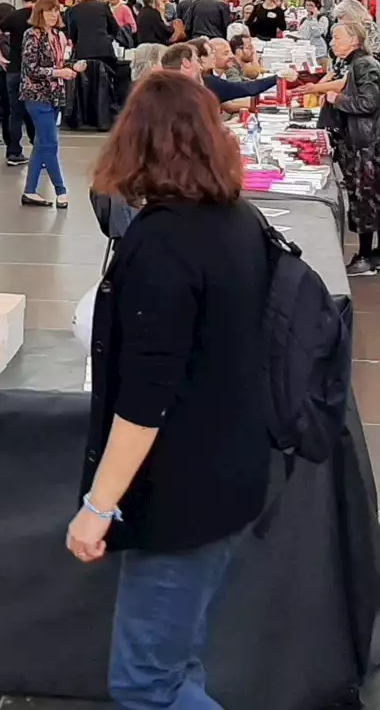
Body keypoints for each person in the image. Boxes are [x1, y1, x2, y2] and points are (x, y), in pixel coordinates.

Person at [73, 68, 270, 709]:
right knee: (177, 663)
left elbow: (146, 397)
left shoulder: (159, 245)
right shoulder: (239, 222)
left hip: (180, 496)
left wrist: (98, 506)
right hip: (231, 476)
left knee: (144, 683)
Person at [323, 21, 380, 274]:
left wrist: (339, 99)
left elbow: (369, 102)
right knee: (364, 199)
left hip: (367, 145)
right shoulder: (353, 64)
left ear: (354, 40)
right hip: (359, 142)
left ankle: (367, 257)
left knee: (367, 200)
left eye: (337, 37)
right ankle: (368, 254)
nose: (332, 42)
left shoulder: (365, 65)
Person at [19, 0, 82, 208]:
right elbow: (31, 69)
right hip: (36, 96)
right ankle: (61, 190)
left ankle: (30, 190)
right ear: (40, 13)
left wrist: (73, 68)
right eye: (49, 11)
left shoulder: (58, 36)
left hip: (55, 96)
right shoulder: (32, 35)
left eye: (56, 10)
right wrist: (58, 72)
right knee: (50, 144)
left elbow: (62, 62)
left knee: (41, 144)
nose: (54, 15)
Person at [0, 0, 42, 167]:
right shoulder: (41, 17)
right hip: (34, 71)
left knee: (15, 113)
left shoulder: (14, 16)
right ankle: (39, 151)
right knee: (36, 112)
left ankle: (14, 152)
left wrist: (0, 58)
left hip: (13, 70)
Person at [301, 0, 330, 66]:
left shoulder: (322, 19)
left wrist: (314, 18)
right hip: (307, 51)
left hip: (319, 53)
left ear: (316, 6)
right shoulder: (305, 19)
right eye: (307, 5)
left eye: (311, 5)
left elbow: (317, 33)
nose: (308, 8)